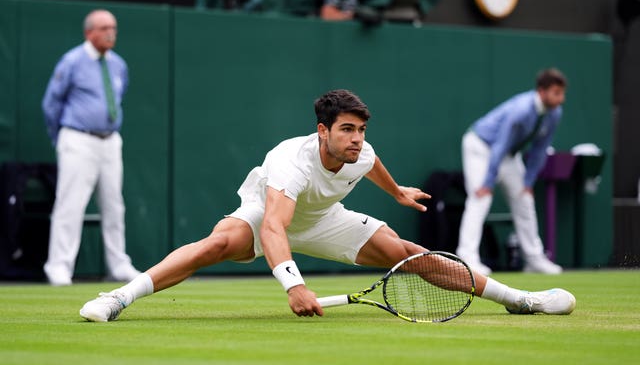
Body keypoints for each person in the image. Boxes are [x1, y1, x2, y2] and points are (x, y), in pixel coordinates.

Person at [79, 89, 575, 322]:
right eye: (346, 130)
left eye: (361, 130)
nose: (357, 140)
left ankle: (521, 300)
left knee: (411, 254)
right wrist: (294, 287)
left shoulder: (363, 152)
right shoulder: (289, 161)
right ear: (323, 130)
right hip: (269, 213)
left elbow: (373, 166)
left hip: (325, 221)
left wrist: (397, 191)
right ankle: (117, 298)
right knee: (215, 244)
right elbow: (274, 227)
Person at [41, 9, 140, 286]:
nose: (111, 33)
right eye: (104, 27)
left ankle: (119, 263)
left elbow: (118, 97)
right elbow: (51, 104)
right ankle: (59, 267)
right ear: (89, 32)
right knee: (70, 204)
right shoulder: (71, 61)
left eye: (114, 28)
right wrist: (61, 138)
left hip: (110, 141)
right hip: (77, 139)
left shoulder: (118, 64)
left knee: (114, 204)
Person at [456, 68, 568, 276]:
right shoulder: (522, 110)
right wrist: (488, 182)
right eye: (556, 93)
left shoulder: (554, 113)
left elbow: (539, 150)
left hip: (507, 154)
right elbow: (500, 144)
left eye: (562, 93)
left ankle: (534, 259)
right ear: (541, 91)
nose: (561, 99)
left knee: (524, 200)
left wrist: (528, 182)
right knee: (480, 198)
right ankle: (467, 257)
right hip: (480, 146)